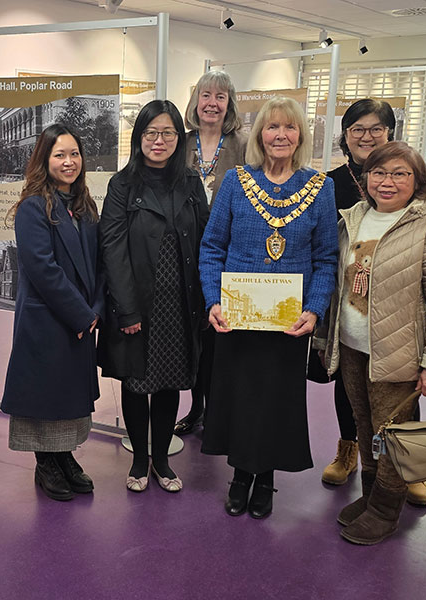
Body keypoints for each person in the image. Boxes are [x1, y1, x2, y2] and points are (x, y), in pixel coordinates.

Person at [316, 141, 426, 545]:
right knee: (365, 425)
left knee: (394, 431)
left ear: (417, 181)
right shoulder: (355, 218)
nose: (387, 182)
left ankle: (386, 508)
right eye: (379, 173)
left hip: (397, 352)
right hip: (352, 345)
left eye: (400, 174)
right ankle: (370, 496)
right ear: (366, 179)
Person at [199, 96, 338, 519]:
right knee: (239, 397)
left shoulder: (321, 187)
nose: (280, 135)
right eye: (272, 127)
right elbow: (211, 248)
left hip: (287, 322)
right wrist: (213, 301)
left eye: (289, 127)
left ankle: (267, 478)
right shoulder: (236, 182)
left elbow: (326, 258)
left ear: (300, 136)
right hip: (238, 318)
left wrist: (314, 309)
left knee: (277, 400)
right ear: (260, 134)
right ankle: (241, 474)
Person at [319, 99, 426, 506]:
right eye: (356, 129)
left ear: (390, 132)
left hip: (397, 317)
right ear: (345, 136)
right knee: (348, 389)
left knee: (400, 398)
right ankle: (349, 450)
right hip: (347, 309)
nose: (366, 136)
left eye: (375, 128)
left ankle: (410, 468)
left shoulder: (409, 183)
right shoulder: (329, 183)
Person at [99, 100, 209, 493]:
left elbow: (206, 240)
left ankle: (161, 460)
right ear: (138, 137)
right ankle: (139, 461)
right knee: (136, 381)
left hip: (180, 303)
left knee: (168, 383)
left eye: (167, 133)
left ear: (179, 138)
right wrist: (126, 309)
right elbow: (111, 248)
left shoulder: (191, 184)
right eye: (151, 133)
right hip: (137, 304)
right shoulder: (122, 184)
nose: (158, 141)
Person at [0, 123, 105, 502]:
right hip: (48, 319)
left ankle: (64, 457)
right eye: (60, 154)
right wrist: (81, 315)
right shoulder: (32, 207)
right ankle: (45, 462)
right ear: (45, 160)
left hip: (80, 319)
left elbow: (98, 265)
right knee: (44, 397)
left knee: (68, 398)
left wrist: (94, 311)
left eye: (74, 154)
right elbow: (43, 269)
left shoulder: (84, 206)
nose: (69, 161)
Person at [174, 70, 247, 437]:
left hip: (227, 254)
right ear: (195, 101)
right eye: (206, 95)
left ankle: (220, 410)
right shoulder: (179, 142)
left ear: (229, 103)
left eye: (221, 96)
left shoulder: (243, 145)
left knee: (220, 335)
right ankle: (196, 407)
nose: (212, 103)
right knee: (193, 335)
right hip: (184, 253)